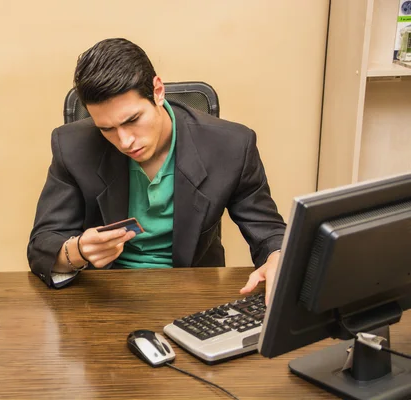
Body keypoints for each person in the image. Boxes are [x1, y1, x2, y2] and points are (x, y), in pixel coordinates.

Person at [27, 38, 286, 298]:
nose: (125, 141)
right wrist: (78, 251)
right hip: (104, 295)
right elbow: (42, 245)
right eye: (107, 129)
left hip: (194, 295)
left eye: (133, 120)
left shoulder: (232, 145)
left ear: (158, 91)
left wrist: (277, 256)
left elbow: (269, 232)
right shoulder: (72, 146)